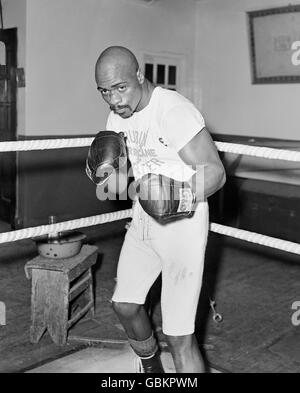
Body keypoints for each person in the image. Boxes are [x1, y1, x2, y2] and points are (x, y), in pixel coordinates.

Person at [86, 46, 226, 373]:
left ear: (139, 76)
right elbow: (118, 185)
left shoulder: (173, 110)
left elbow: (216, 172)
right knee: (125, 306)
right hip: (143, 221)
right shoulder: (115, 117)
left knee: (179, 337)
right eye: (105, 91)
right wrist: (109, 177)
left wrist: (178, 194)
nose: (114, 100)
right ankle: (152, 370)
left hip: (183, 229)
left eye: (121, 88)